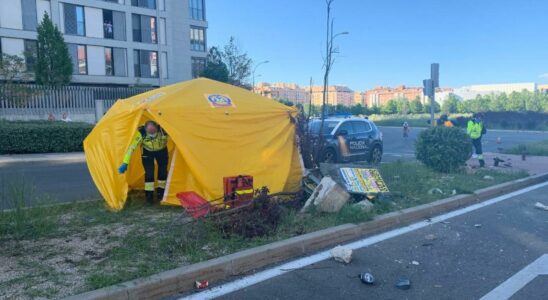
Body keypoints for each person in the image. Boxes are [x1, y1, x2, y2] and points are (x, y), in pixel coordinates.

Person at [118, 121, 169, 204]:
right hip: (147, 152)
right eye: (150, 132)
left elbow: (177, 135)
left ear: (157, 127)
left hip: (162, 150)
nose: (152, 134)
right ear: (145, 129)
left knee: (162, 172)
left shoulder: (164, 130)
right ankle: (149, 197)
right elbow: (132, 148)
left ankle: (161, 194)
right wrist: (125, 163)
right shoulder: (141, 133)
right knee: (149, 174)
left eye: (153, 131)